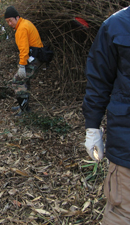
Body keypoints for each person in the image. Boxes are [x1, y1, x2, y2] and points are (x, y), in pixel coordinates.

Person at [82, 6, 130, 225]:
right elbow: (99, 80)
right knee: (123, 213)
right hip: (127, 144)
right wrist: (92, 126)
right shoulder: (115, 25)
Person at [4, 6, 44, 115]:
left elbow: (24, 49)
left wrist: (21, 66)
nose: (9, 23)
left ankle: (24, 110)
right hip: (35, 57)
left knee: (17, 81)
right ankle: (23, 105)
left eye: (10, 20)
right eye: (7, 22)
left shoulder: (21, 28)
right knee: (24, 80)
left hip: (33, 58)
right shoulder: (25, 23)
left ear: (17, 17)